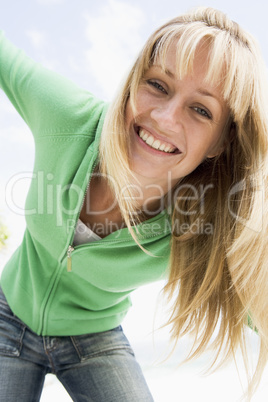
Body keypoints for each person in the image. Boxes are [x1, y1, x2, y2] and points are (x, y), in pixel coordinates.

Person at [0, 6, 268, 401]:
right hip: (8, 316)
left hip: (94, 339)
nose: (165, 117)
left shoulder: (200, 226)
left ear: (221, 142)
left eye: (200, 110)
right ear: (132, 83)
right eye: (158, 85)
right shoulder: (67, 118)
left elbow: (255, 309)